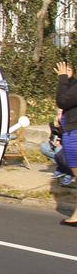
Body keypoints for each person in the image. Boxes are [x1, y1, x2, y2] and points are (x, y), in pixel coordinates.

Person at [55, 62, 77, 226]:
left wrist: (62, 78)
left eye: (69, 69)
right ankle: (76, 216)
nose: (65, 71)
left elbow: (62, 101)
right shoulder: (72, 86)